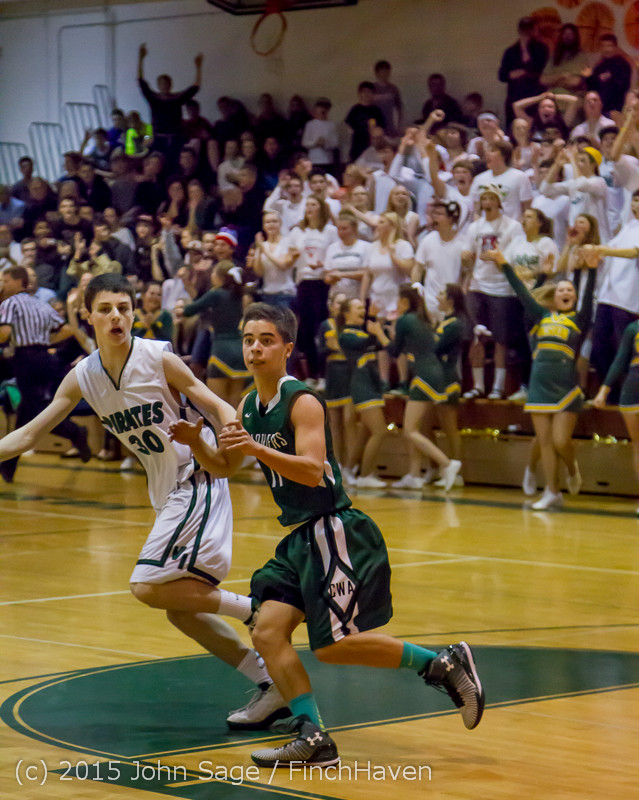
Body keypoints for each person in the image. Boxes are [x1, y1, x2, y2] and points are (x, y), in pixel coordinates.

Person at [168, 301, 484, 768]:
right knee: (268, 630)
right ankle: (313, 736)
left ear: (287, 348)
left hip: (334, 529)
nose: (255, 348)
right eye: (250, 339)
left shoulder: (303, 401)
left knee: (333, 646)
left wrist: (254, 446)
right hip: (299, 538)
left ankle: (441, 664)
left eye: (266, 340)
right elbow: (225, 466)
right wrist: (198, 443)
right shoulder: (248, 405)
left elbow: (314, 471)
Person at [0, 272, 290, 729]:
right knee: (181, 609)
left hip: (195, 480)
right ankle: (272, 682)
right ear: (87, 316)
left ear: (135, 312)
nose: (117, 316)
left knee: (145, 586)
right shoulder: (83, 376)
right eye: (106, 309)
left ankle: (256, 609)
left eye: (124, 308)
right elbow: (31, 432)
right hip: (166, 492)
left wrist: (235, 441)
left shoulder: (158, 357)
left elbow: (219, 405)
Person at [482, 248, 599, 510]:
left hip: (566, 386)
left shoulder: (578, 320)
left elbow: (589, 297)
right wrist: (503, 264)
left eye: (570, 291)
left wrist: (589, 270)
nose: (566, 293)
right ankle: (552, 491)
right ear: (553, 298)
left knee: (560, 441)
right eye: (561, 291)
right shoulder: (541, 317)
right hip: (539, 385)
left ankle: (571, 468)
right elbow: (523, 294)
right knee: (545, 442)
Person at [0, 265, 91, 482]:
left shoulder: (9, 303)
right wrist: (44, 342)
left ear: (17, 282)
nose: (3, 284)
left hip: (26, 360)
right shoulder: (40, 304)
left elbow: (4, 333)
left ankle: (75, 432)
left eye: (5, 280)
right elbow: (67, 329)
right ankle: (8, 464)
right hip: (45, 358)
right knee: (26, 412)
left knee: (36, 414)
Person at [388, 285, 462, 491]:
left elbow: (394, 351)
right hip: (431, 374)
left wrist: (379, 333)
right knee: (418, 428)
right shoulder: (422, 319)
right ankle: (414, 474)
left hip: (424, 375)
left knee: (410, 430)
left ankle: (447, 464)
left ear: (404, 302)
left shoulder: (405, 320)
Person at [183, 261, 248, 409]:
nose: (211, 276)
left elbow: (189, 310)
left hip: (221, 351)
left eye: (213, 273)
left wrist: (182, 308)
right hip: (240, 351)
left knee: (217, 408)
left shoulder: (215, 293)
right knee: (234, 407)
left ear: (220, 277)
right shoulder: (238, 294)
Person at [593, 319, 639, 513]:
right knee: (638, 446)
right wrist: (603, 390)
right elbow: (620, 359)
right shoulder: (633, 328)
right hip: (633, 388)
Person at [137, 43, 203, 166]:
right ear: (158, 85)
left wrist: (198, 67)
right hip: (158, 137)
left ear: (170, 85)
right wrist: (141, 59)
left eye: (166, 83)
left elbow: (195, 87)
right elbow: (141, 82)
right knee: (153, 162)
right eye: (161, 83)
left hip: (175, 137)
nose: (164, 86)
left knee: (175, 164)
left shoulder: (176, 98)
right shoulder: (153, 98)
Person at [498, 17, 549, 126]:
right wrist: (511, 75)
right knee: (514, 126)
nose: (527, 33)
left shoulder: (541, 48)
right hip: (515, 94)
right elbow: (502, 75)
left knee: (535, 125)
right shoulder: (511, 51)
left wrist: (525, 68)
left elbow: (540, 69)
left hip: (534, 94)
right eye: (524, 30)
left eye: (529, 30)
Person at [254, 210, 297, 309]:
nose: (271, 225)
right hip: (267, 293)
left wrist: (264, 251)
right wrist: (259, 252)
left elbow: (283, 265)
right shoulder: (262, 245)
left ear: (280, 224)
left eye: (274, 221)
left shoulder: (287, 242)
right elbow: (259, 272)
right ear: (264, 226)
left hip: (285, 294)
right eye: (268, 222)